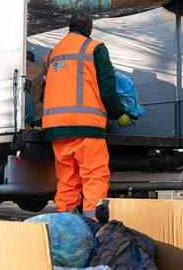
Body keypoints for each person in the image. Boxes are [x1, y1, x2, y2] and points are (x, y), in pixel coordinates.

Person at [42, 12, 133, 218]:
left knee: (67, 181)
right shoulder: (95, 48)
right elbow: (108, 88)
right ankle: (93, 222)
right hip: (87, 128)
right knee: (94, 176)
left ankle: (65, 227)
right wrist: (119, 113)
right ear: (89, 28)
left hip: (57, 129)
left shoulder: (53, 52)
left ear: (70, 27)